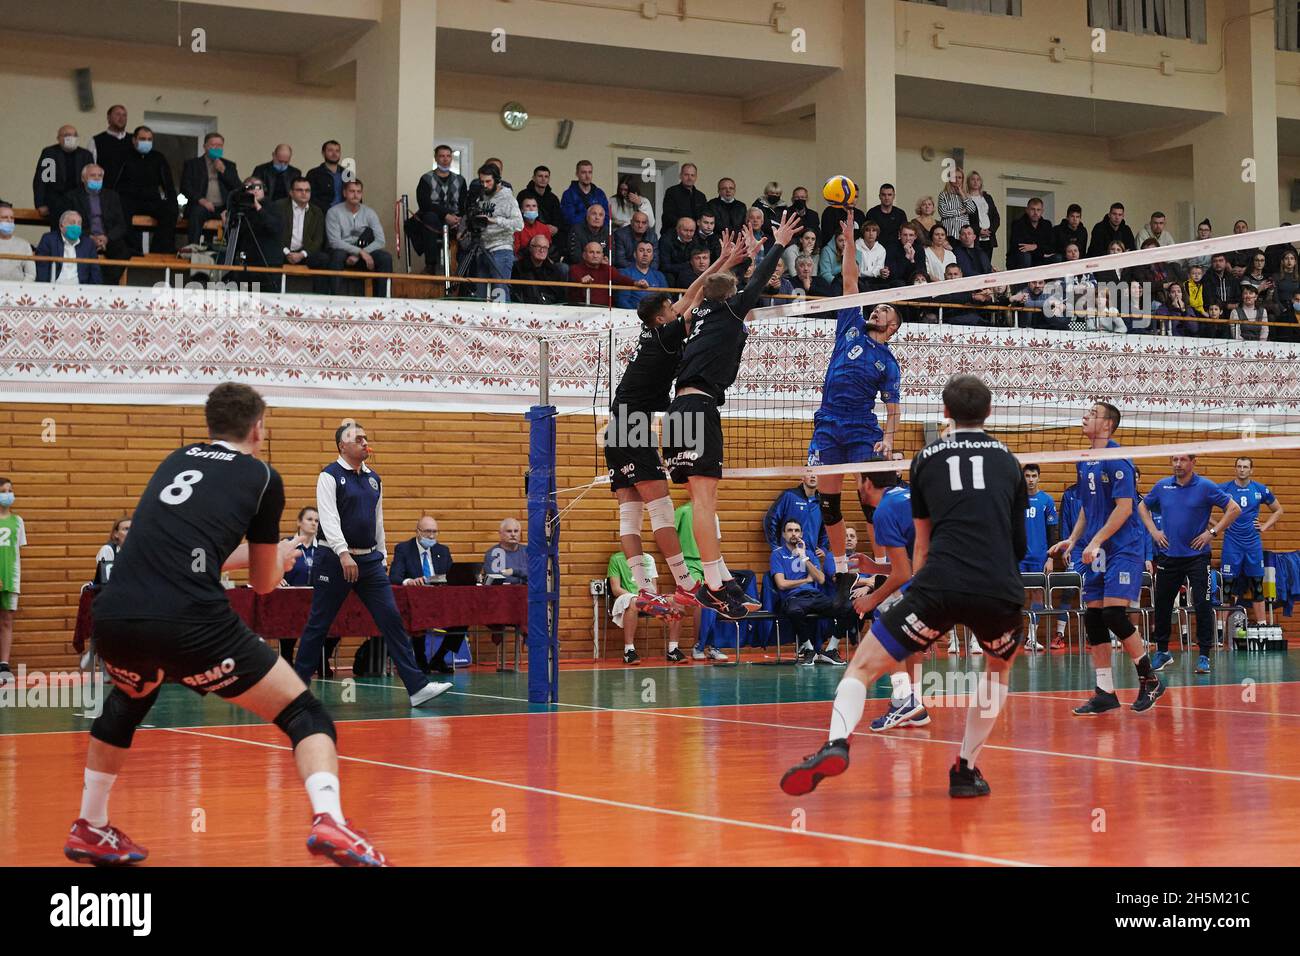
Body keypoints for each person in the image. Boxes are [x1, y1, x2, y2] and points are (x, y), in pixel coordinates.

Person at [67, 384, 392, 867]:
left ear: (210, 425)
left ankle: (90, 825)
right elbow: (264, 585)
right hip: (189, 619)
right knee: (306, 713)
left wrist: (260, 558)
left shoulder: (177, 460)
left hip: (114, 614)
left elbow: (188, 549)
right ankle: (330, 819)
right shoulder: (262, 477)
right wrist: (279, 559)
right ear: (258, 428)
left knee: (130, 697)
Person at [781, 375, 1028, 799]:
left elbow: (923, 545)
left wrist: (915, 593)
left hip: (939, 584)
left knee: (861, 665)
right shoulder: (1009, 461)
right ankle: (966, 769)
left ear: (945, 413)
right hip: (997, 587)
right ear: (989, 414)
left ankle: (836, 742)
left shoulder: (925, 459)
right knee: (996, 671)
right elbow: (1018, 543)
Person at [662, 211, 801, 618]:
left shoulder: (695, 315)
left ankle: (721, 580)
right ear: (731, 295)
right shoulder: (729, 310)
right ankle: (714, 584)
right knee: (704, 502)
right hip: (699, 406)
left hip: (677, 411)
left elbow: (699, 289)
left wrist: (727, 259)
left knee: (704, 499)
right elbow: (759, 282)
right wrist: (779, 242)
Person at [605, 232, 744, 626]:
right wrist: (723, 262)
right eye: (671, 306)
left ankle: (642, 587)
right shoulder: (666, 334)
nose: (678, 306)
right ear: (661, 315)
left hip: (618, 424)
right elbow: (698, 294)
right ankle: (685, 581)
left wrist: (722, 260)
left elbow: (691, 294)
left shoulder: (652, 337)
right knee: (660, 505)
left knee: (630, 515)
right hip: (632, 423)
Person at [292, 420, 451, 707]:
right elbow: (329, 519)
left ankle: (416, 688)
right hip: (334, 560)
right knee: (319, 623)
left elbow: (377, 521)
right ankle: (295, 689)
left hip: (369, 562)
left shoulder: (374, 479)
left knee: (391, 619)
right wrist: (343, 553)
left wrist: (382, 555)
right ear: (343, 445)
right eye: (359, 439)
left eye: (366, 438)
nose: (366, 443)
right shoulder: (329, 476)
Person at [806, 218, 901, 614]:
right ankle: (844, 568)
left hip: (863, 427)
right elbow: (850, 284)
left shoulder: (888, 361)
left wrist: (890, 439)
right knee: (828, 504)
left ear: (891, 327)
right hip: (829, 423)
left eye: (883, 310)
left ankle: (881, 568)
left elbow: (893, 407)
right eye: (875, 307)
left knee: (872, 499)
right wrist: (848, 242)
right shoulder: (850, 327)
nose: (875, 310)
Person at [1048, 402, 1164, 715]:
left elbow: (1124, 507)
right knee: (1094, 618)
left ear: (1108, 425)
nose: (1085, 416)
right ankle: (1105, 691)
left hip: (1123, 546)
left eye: (1093, 414)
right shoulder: (1084, 461)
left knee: (1114, 614)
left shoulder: (1117, 459)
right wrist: (1073, 538)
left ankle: (1149, 679)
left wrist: (1096, 540)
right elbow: (1088, 507)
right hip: (1097, 547)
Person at [1139, 455, 1240, 675]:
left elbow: (1234, 509)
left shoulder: (1205, 486)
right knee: (1163, 604)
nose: (1178, 464)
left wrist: (1211, 532)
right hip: (1168, 556)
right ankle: (1163, 652)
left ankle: (1204, 655)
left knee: (1203, 604)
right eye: (1174, 460)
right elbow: (1142, 507)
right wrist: (1154, 532)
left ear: (1192, 462)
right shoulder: (1162, 485)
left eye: (1183, 460)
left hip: (1197, 557)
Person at [855, 470, 931, 728]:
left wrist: (871, 599)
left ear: (867, 482)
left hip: (942, 577)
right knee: (907, 633)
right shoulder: (903, 497)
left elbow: (903, 573)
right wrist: (876, 569)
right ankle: (915, 704)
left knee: (886, 624)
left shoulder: (884, 510)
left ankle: (903, 701)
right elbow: (907, 566)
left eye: (858, 479)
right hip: (947, 570)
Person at [1219, 457, 1284, 643]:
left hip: (1253, 545)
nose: (1241, 470)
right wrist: (1219, 527)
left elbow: (1278, 510)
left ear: (1251, 470)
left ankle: (1262, 627)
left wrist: (1264, 526)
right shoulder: (1224, 489)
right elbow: (1204, 509)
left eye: (1245, 467)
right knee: (1227, 589)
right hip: (1232, 545)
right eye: (1239, 466)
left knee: (1257, 586)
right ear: (1234, 469)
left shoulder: (1260, 489)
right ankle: (1220, 633)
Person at [389, 515, 462, 674]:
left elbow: (452, 576)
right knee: (419, 615)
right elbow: (394, 576)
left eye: (435, 532)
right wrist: (409, 581)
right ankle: (420, 659)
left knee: (463, 617)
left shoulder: (442, 551)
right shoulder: (404, 549)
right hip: (415, 602)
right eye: (428, 531)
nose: (431, 536)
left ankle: (439, 658)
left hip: (440, 601)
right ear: (418, 532)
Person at [771, 520, 843, 666]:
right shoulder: (777, 554)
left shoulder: (809, 553)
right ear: (784, 535)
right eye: (790, 530)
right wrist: (805, 580)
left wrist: (804, 557)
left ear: (802, 534)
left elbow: (821, 579)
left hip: (814, 596)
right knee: (794, 611)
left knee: (846, 608)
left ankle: (831, 649)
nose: (794, 534)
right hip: (793, 597)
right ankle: (809, 650)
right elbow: (782, 584)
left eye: (797, 530)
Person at [674, 501, 730, 662]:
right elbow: (669, 536)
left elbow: (716, 542)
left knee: (717, 601)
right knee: (701, 601)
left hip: (709, 562)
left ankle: (712, 645)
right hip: (688, 562)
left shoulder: (712, 514)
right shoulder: (683, 511)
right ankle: (698, 645)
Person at [608, 551, 685, 665]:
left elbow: (653, 589)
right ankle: (629, 651)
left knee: (677, 601)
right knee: (634, 601)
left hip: (648, 598)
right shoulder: (616, 558)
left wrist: (649, 599)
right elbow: (616, 589)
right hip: (626, 597)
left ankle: (673, 650)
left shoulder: (649, 559)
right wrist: (638, 598)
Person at [459, 164, 522, 302]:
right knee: (481, 293)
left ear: (497, 180)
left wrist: (494, 220)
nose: (485, 185)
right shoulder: (480, 197)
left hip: (501, 249)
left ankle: (503, 321)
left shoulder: (508, 199)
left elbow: (519, 224)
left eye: (488, 181)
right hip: (482, 248)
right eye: (482, 182)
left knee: (499, 291)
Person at [277, 507, 331, 668]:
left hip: (317, 602)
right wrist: (276, 579)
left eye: (317, 521)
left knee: (336, 622)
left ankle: (321, 660)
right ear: (299, 522)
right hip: (289, 603)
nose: (314, 523)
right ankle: (287, 659)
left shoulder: (324, 549)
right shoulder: (286, 545)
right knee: (288, 624)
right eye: (310, 519)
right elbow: (271, 569)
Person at [115, 126, 178, 254]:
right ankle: (132, 248)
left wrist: (171, 202)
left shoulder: (158, 157)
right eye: (143, 138)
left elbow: (168, 185)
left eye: (149, 139)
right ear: (134, 140)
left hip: (152, 199)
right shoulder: (123, 156)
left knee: (169, 211)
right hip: (129, 199)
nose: (146, 142)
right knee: (121, 210)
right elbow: (115, 182)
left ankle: (160, 250)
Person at [325, 180, 393, 296]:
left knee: (385, 258)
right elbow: (334, 242)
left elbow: (380, 241)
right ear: (344, 193)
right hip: (343, 252)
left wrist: (361, 254)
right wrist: (359, 252)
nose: (355, 195)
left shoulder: (369, 213)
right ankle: (334, 299)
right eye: (352, 191)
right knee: (337, 255)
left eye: (358, 192)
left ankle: (382, 301)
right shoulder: (334, 212)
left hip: (364, 252)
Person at [1020, 464, 1058, 652]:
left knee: (1038, 594)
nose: (1030, 479)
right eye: (1027, 476)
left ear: (1039, 478)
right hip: (1018, 557)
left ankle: (1031, 637)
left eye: (1034, 475)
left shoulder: (1046, 500)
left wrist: (1050, 557)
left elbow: (1053, 532)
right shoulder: (1016, 500)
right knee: (1014, 595)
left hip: (1038, 557)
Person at [68, 165, 129, 283]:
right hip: (83, 237)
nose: (97, 178)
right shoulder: (72, 197)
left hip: (108, 238)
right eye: (92, 175)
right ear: (83, 178)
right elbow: (69, 224)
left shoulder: (112, 196)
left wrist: (106, 238)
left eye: (100, 176)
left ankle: (104, 285)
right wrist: (90, 238)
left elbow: (121, 225)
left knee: (123, 252)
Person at [179, 133, 242, 246]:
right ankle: (193, 248)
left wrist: (224, 171)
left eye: (220, 145)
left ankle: (231, 253)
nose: (217, 148)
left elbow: (238, 188)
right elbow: (185, 187)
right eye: (213, 145)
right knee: (196, 213)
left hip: (223, 208)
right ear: (205, 146)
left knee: (237, 217)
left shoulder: (229, 165)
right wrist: (201, 200)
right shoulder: (192, 164)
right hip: (203, 205)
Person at [414, 144, 468, 273]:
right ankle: (430, 265)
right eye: (441, 156)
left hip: (455, 220)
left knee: (468, 225)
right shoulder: (426, 179)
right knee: (429, 217)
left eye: (448, 156)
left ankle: (463, 270)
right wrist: (445, 215)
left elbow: (463, 204)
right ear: (436, 158)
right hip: (434, 220)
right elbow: (424, 204)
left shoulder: (460, 180)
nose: (445, 159)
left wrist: (458, 219)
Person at [33, 124, 94, 228]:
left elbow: (90, 180)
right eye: (67, 135)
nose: (71, 137)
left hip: (80, 202)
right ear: (59, 138)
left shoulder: (85, 155)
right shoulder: (50, 153)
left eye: (74, 135)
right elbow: (43, 180)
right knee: (58, 234)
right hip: (57, 203)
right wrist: (40, 204)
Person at [275, 177, 329, 289]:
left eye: (307, 190)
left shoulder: (317, 211)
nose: (304, 193)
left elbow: (318, 239)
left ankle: (320, 298)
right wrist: (287, 252)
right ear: (291, 192)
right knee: (270, 256)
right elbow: (273, 234)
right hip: (282, 251)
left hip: (304, 253)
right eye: (300, 190)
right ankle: (272, 295)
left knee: (323, 259)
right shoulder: (279, 207)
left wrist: (302, 254)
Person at [225, 177, 284, 270]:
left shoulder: (273, 207)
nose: (255, 191)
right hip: (247, 261)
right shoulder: (241, 209)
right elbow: (232, 239)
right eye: (250, 188)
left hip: (269, 262)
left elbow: (275, 228)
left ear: (264, 190)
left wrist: (258, 207)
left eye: (258, 187)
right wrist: (228, 219)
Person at [764, 471, 829, 552]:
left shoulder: (823, 502)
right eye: (809, 472)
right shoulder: (789, 495)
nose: (813, 476)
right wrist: (775, 547)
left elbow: (827, 528)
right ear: (802, 477)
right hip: (788, 554)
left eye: (816, 473)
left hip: (810, 555)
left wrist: (824, 548)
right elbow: (771, 520)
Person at [35, 211, 102, 285]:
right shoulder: (49, 239)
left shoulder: (88, 243)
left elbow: (95, 272)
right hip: (54, 287)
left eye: (79, 223)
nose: (76, 226)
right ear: (61, 226)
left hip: (80, 289)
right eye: (72, 223)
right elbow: (42, 268)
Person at [0, 477, 24, 686]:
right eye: (3, 491)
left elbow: (16, 552)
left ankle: (4, 665)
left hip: (11, 578)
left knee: (7, 620)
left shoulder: (18, 521)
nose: (8, 494)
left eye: (10, 490)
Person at [568, 240, 636, 307]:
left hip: (605, 310)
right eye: (591, 252)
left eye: (598, 252)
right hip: (581, 310)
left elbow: (620, 279)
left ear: (602, 256)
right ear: (584, 255)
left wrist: (636, 283)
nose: (595, 256)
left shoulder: (608, 269)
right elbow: (575, 281)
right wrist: (581, 281)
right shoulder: (575, 269)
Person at [512, 235, 567, 305]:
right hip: (525, 310)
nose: (542, 250)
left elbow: (561, 297)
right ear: (530, 248)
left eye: (545, 247)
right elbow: (516, 296)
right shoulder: (518, 268)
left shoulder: (554, 270)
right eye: (538, 246)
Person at [614, 240, 667, 311]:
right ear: (635, 254)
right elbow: (622, 301)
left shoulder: (659, 275)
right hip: (632, 315)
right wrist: (637, 314)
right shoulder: (625, 273)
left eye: (648, 251)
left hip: (655, 316)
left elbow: (667, 299)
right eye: (641, 250)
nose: (645, 254)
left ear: (652, 256)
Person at [1007, 197, 1056, 270]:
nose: (1035, 213)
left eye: (1038, 210)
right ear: (1027, 210)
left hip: (1040, 259)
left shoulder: (1047, 224)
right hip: (1020, 259)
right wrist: (1041, 252)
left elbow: (1051, 247)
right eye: (1032, 209)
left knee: (1057, 257)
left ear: (1042, 211)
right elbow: (1020, 247)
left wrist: (1035, 246)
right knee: (1025, 256)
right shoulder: (1018, 224)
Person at [560, 160, 610, 230]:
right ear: (577, 174)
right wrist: (591, 217)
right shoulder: (568, 194)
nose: (587, 176)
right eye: (583, 172)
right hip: (577, 234)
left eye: (590, 172)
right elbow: (569, 219)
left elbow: (606, 217)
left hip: (598, 233)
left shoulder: (600, 193)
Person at [91, 105, 132, 188]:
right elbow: (91, 168)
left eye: (124, 115)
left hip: (130, 192)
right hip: (105, 192)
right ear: (108, 118)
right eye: (118, 114)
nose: (121, 118)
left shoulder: (134, 140)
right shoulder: (96, 141)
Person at [660, 163, 707, 234]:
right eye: (686, 175)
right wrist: (686, 227)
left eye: (692, 175)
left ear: (696, 177)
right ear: (680, 176)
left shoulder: (701, 196)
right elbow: (669, 215)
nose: (689, 178)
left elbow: (703, 217)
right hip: (674, 235)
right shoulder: (672, 192)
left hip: (694, 236)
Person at [964, 171, 1000, 262]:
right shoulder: (965, 198)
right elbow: (966, 219)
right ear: (968, 182)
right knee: (976, 262)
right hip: (974, 237)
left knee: (987, 263)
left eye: (978, 179)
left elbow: (996, 217)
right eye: (973, 179)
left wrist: (990, 230)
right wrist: (978, 230)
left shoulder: (987, 197)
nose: (976, 182)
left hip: (989, 236)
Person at [306, 140, 346, 213]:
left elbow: (355, 195)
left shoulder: (347, 174)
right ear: (323, 153)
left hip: (345, 214)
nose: (334, 153)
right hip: (322, 214)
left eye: (337, 151)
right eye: (330, 150)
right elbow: (310, 197)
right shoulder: (314, 174)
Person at [937, 168, 977, 240]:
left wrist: (962, 194)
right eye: (954, 177)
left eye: (959, 177)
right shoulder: (943, 194)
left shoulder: (966, 195)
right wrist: (961, 211)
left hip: (963, 235)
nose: (957, 179)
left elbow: (972, 210)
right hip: (948, 233)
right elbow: (943, 213)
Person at [0, 203, 36, 282]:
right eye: (5, 217)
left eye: (12, 218)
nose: (9, 220)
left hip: (16, 291)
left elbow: (31, 274)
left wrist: (21, 289)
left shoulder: (24, 244)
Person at [94, 516, 132, 587]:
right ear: (116, 534)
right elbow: (106, 581)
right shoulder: (108, 549)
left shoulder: (137, 551)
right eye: (126, 529)